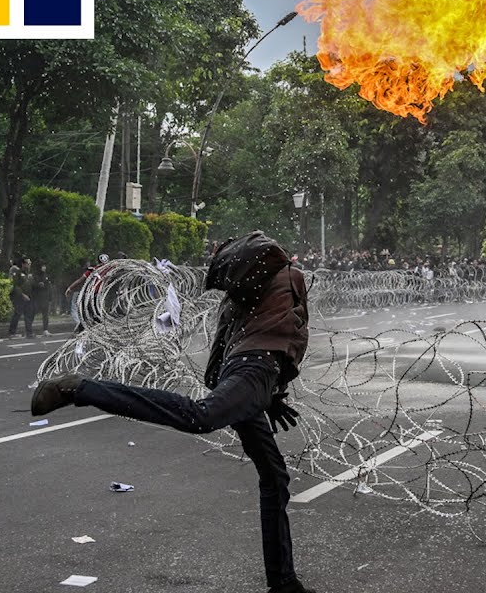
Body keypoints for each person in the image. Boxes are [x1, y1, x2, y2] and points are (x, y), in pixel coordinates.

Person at [31, 232, 316, 593]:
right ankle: (81, 389)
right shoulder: (290, 277)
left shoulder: (236, 302)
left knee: (274, 477)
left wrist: (265, 395)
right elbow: (291, 335)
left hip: (248, 373)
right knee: (201, 417)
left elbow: (220, 364)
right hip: (255, 371)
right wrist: (267, 388)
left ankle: (283, 581)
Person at [8, 257, 33, 338]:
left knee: (28, 314)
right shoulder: (18, 273)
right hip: (19, 297)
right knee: (17, 314)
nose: (29, 265)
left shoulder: (28, 274)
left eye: (30, 264)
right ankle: (12, 332)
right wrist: (22, 294)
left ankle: (29, 332)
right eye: (27, 263)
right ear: (23, 264)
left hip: (29, 297)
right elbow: (16, 286)